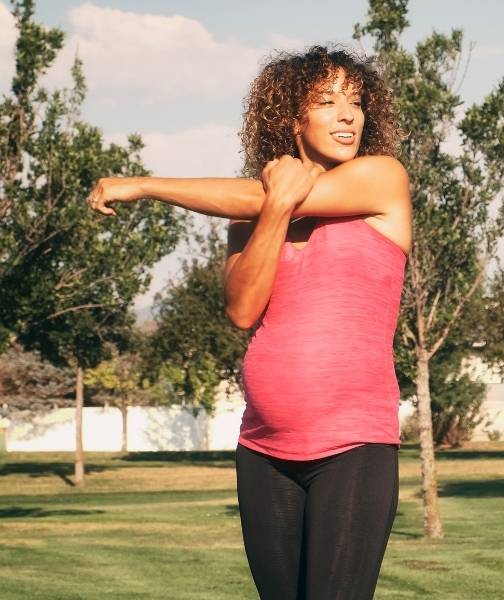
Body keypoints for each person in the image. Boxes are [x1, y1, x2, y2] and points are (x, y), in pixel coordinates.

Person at [86, 45, 411, 599]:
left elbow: (252, 195)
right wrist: (276, 210)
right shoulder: (253, 212)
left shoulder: (381, 178)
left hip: (353, 444)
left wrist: (143, 184)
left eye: (355, 102)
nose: (347, 115)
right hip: (263, 447)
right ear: (292, 119)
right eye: (327, 102)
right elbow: (242, 309)